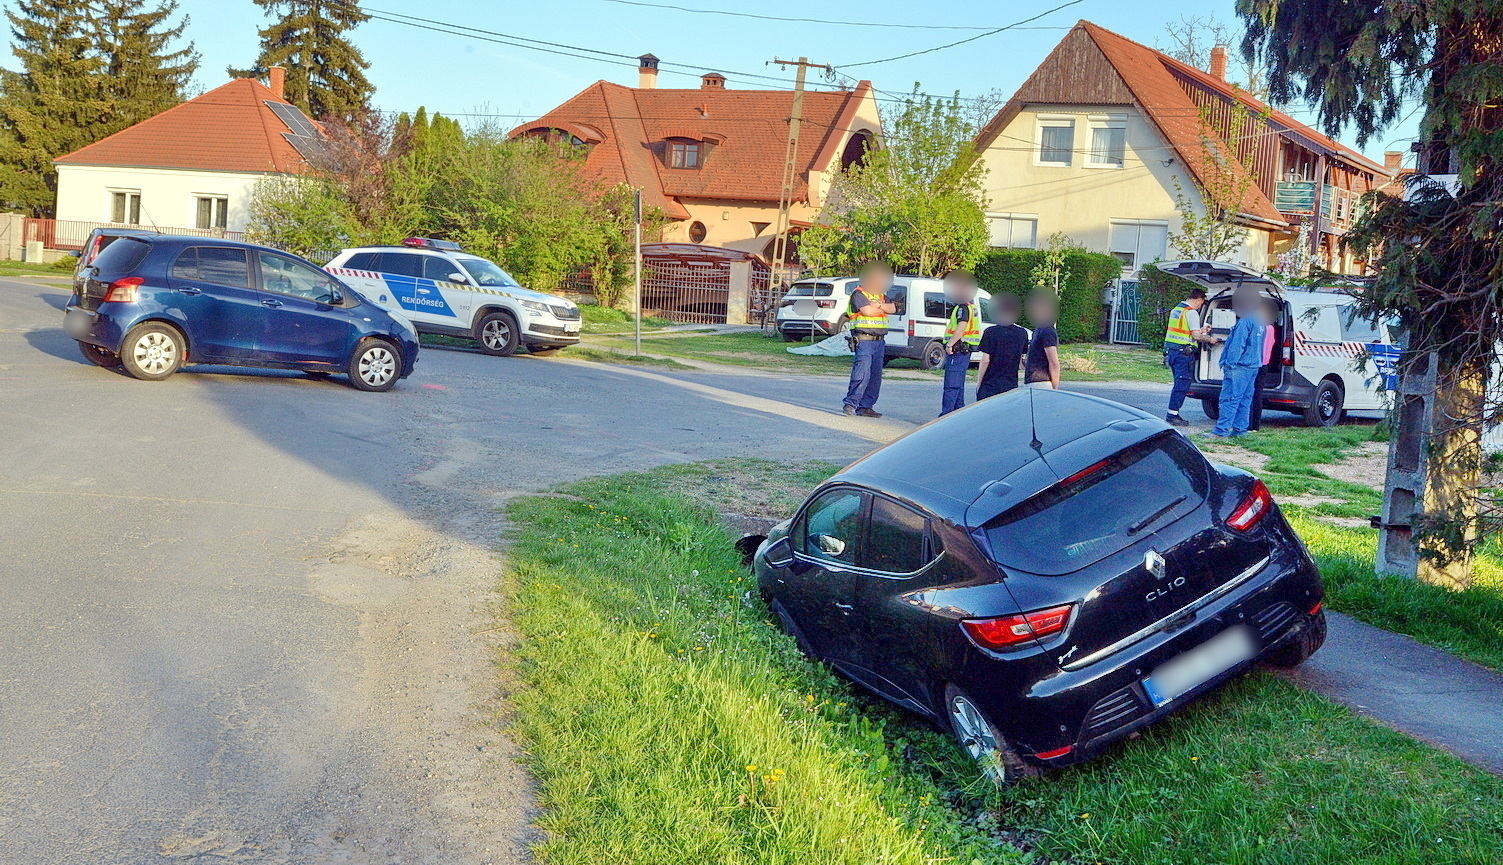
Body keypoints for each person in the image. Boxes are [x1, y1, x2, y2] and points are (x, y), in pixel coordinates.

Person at [841, 261, 896, 417]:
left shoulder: (880, 295)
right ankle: (850, 404)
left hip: (879, 341)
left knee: (875, 376)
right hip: (864, 340)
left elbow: (893, 308)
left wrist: (877, 306)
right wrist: (880, 307)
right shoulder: (859, 294)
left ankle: (866, 407)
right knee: (861, 374)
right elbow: (867, 311)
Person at [1211, 286, 1267, 438]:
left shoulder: (1244, 322)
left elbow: (1238, 345)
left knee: (1229, 398)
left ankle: (1221, 431)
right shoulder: (1260, 322)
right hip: (1253, 366)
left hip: (1239, 367)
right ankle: (1240, 430)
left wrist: (1230, 363)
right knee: (1245, 399)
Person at [1162, 288, 1220, 426]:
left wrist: (1202, 330)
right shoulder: (1191, 312)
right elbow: (1196, 336)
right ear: (1199, 300)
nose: (1200, 306)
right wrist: (1210, 339)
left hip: (1172, 351)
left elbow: (1186, 331)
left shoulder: (1177, 309)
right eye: (1201, 304)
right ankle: (1172, 415)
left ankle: (1173, 413)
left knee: (1178, 383)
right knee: (1182, 384)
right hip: (1183, 353)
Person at [938, 270, 982, 416]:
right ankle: (957, 413)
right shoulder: (971, 307)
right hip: (964, 350)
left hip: (958, 350)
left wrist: (950, 344)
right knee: (958, 385)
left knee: (951, 385)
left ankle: (946, 415)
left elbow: (961, 327)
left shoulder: (963, 307)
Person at [976, 291, 1029, 400]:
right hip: (1010, 385)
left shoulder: (990, 332)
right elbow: (1021, 360)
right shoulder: (1022, 333)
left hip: (990, 385)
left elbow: (985, 360)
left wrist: (979, 383)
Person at [1248, 297, 1279, 431]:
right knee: (1258, 394)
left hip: (1254, 363)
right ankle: (1256, 425)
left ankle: (1248, 424)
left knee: (1249, 394)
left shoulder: (1257, 327)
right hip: (1265, 363)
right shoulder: (1271, 328)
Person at [1023, 290, 1061, 389]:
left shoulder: (1047, 330)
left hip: (1041, 382)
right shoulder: (1039, 328)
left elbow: (1054, 362)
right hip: (1034, 381)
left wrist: (1055, 389)